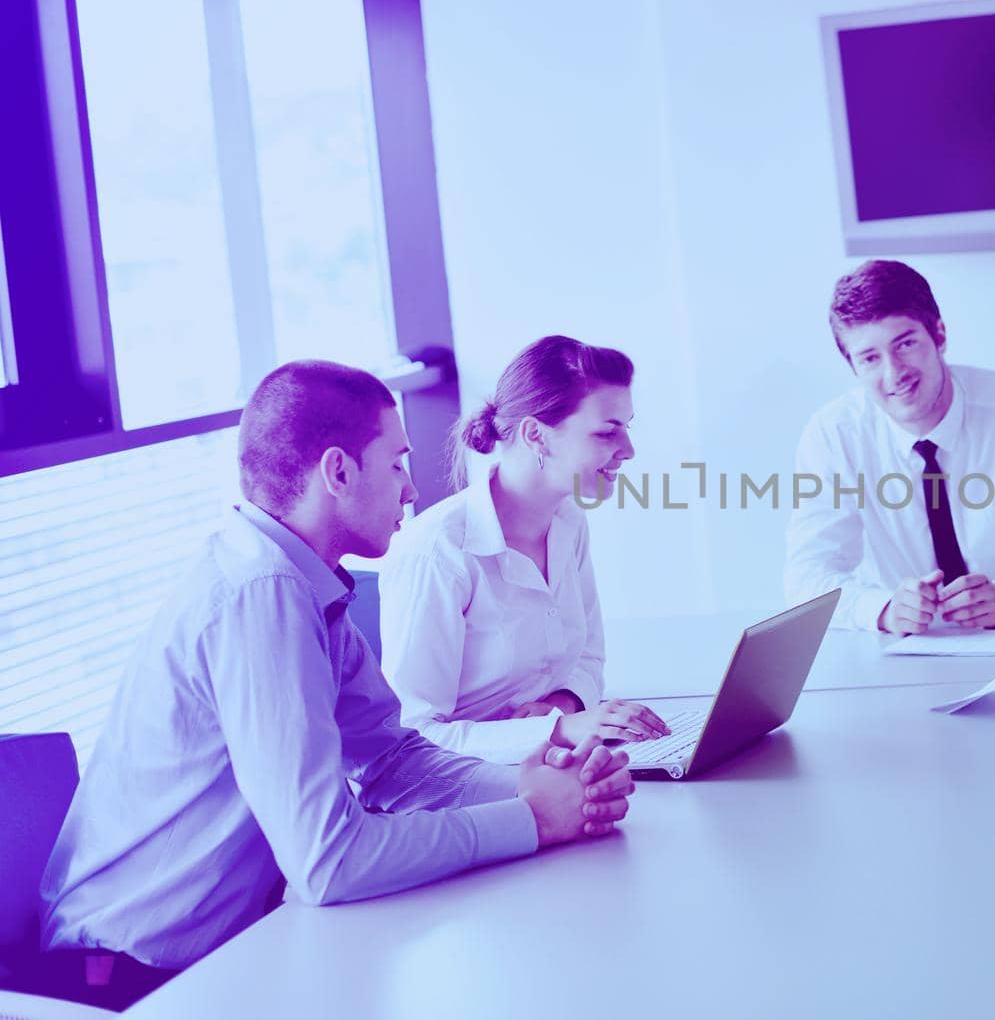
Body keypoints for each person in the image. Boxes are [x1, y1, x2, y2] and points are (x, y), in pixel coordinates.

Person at [38, 361, 632, 1011]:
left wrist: (531, 781)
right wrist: (530, 820)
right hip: (130, 981)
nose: (411, 488)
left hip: (225, 952)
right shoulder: (261, 596)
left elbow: (391, 760)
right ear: (338, 473)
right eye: (397, 462)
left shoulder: (305, 582)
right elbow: (329, 861)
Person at [785, 259, 995, 634]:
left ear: (940, 336)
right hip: (903, 657)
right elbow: (806, 579)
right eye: (870, 358)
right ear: (853, 366)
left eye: (906, 344)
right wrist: (882, 610)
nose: (894, 374)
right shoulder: (833, 435)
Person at [380, 336, 669, 765]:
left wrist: (566, 703)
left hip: (551, 767)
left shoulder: (569, 520)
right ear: (536, 435)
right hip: (466, 790)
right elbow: (414, 738)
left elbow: (589, 654)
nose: (628, 451)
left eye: (627, 428)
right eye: (609, 431)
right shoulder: (437, 552)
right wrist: (557, 729)